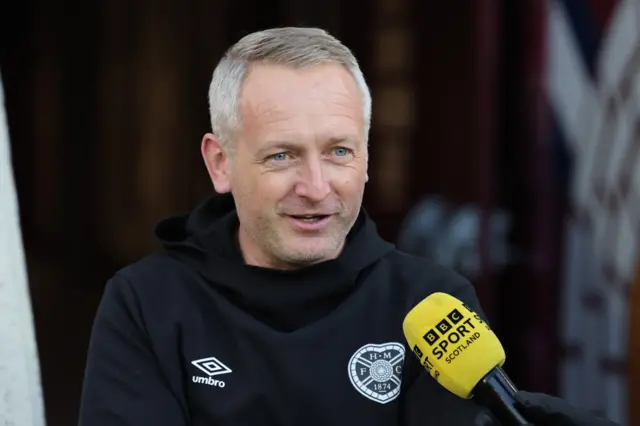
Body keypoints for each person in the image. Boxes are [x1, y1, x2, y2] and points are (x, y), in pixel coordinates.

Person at [77, 27, 611, 426]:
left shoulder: (434, 306)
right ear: (221, 163)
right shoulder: (146, 305)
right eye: (282, 155)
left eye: (338, 151)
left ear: (367, 157)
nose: (315, 186)